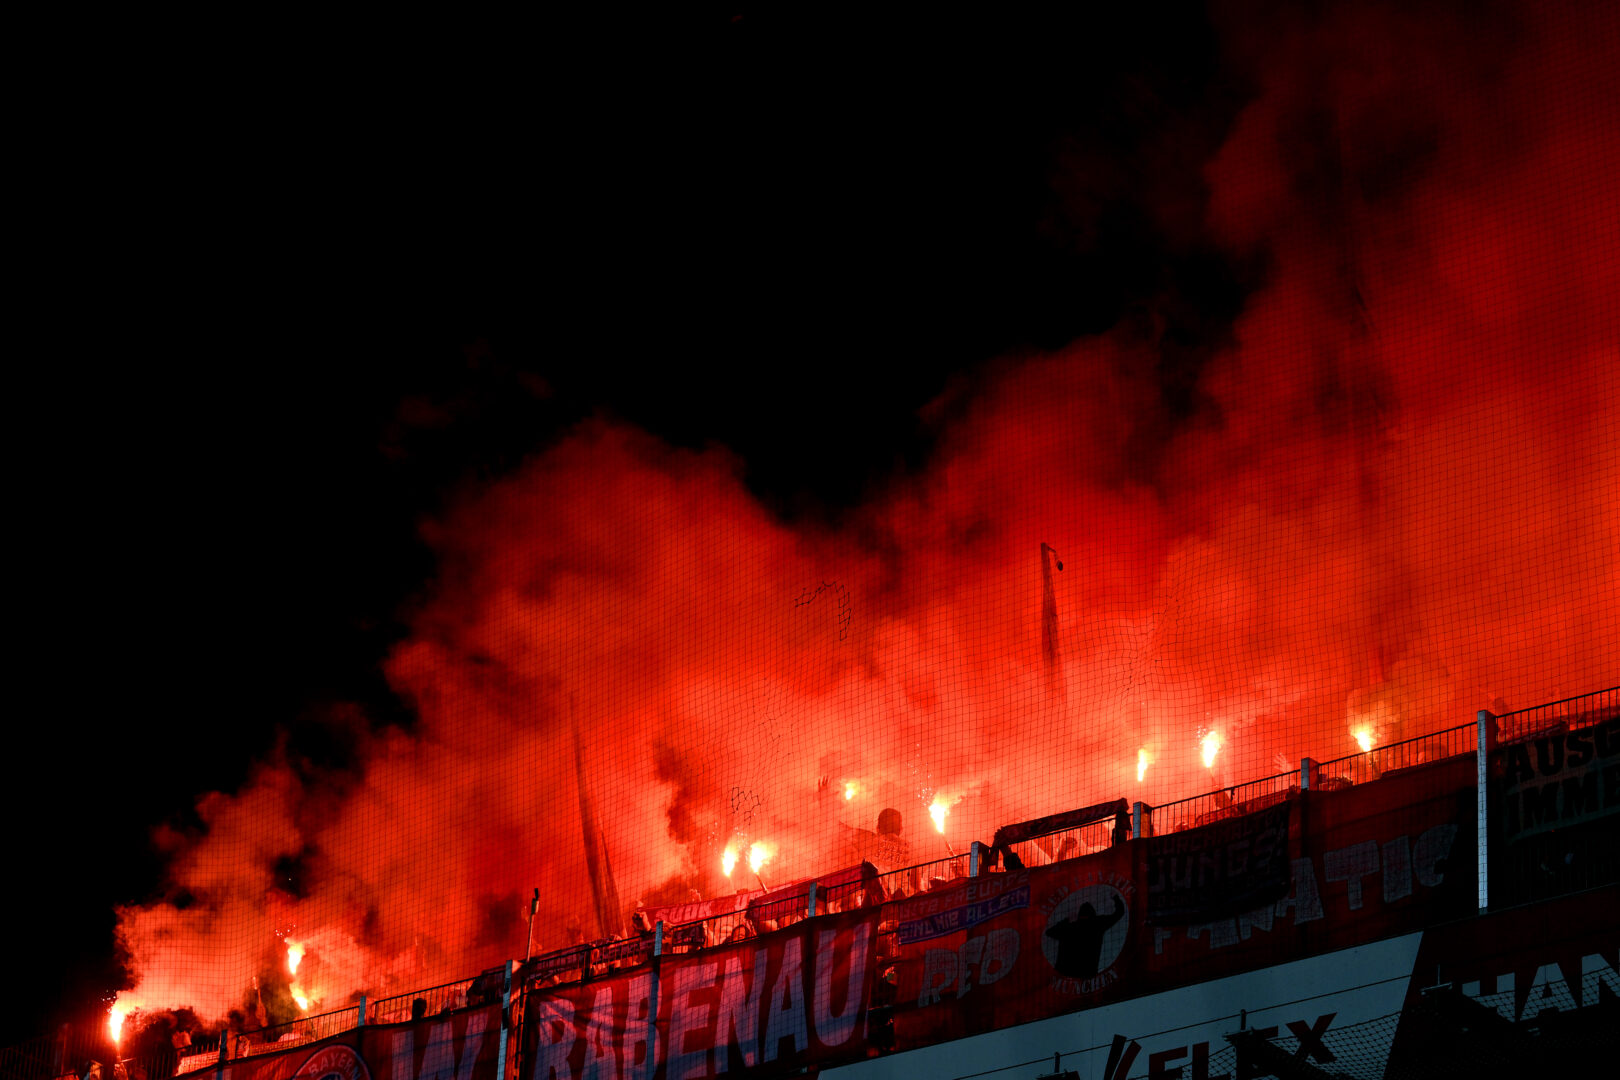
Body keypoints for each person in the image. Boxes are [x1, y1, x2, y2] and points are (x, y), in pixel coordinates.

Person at [1044, 895, 1125, 977]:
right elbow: (1119, 913)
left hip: (1065, 973)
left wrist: (1066, 921)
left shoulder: (1068, 928)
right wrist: (1116, 898)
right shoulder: (1098, 924)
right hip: (1087, 973)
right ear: (1093, 914)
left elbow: (1049, 932)